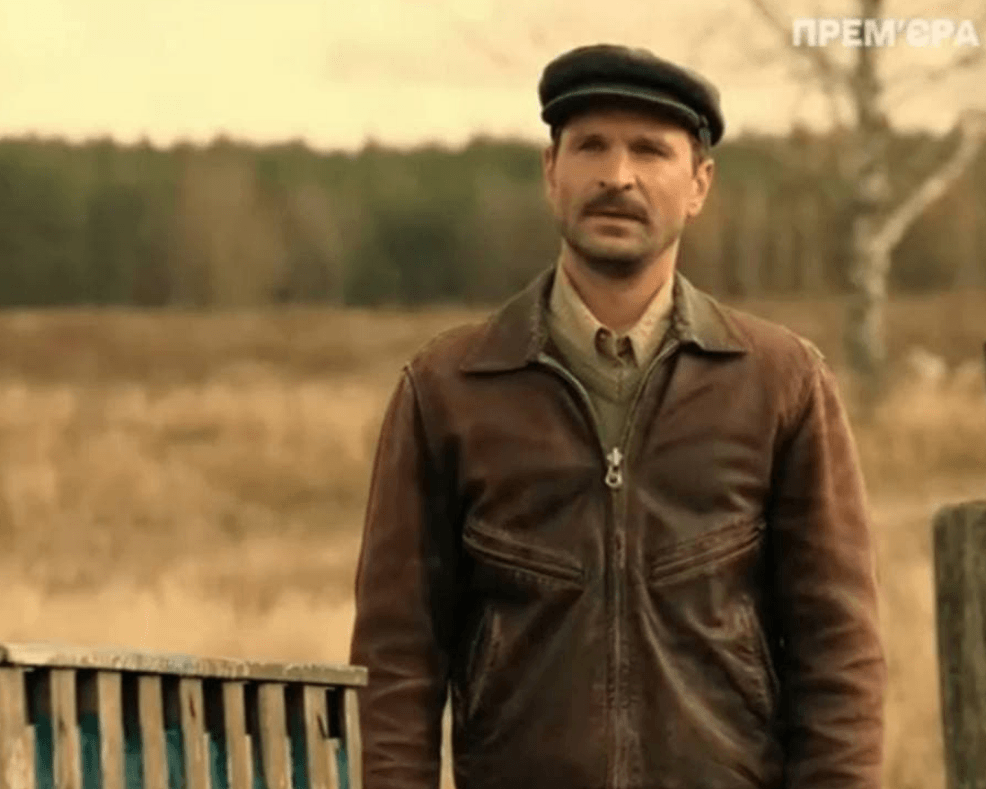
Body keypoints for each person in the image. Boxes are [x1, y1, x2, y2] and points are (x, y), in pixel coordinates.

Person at [349, 43, 886, 789]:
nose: (617, 176)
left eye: (650, 150)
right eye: (591, 146)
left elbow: (840, 654)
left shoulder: (780, 383)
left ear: (699, 184)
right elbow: (396, 661)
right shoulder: (448, 388)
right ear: (551, 171)